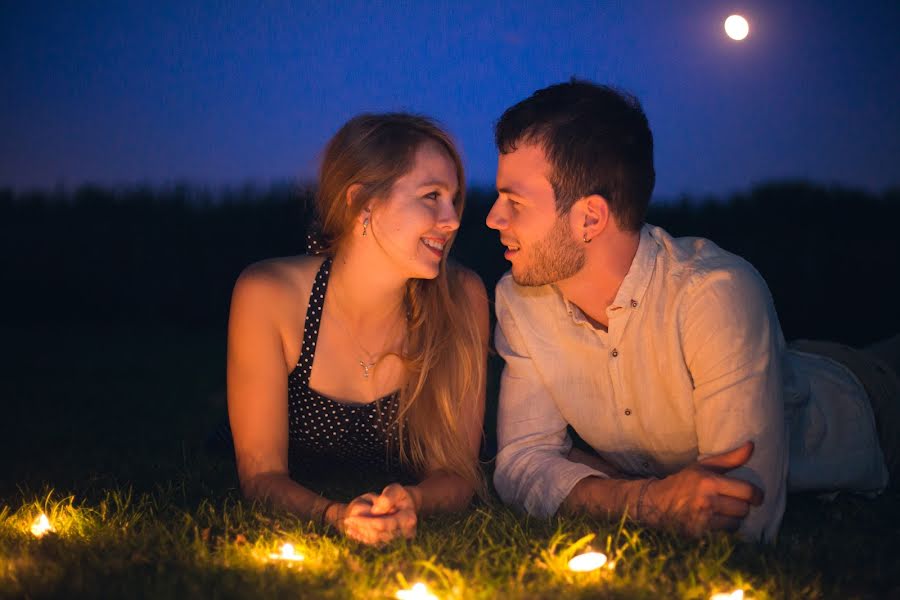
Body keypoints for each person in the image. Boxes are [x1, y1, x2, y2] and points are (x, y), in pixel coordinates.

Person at [487, 80, 898, 542]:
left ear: (590, 218)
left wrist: (589, 483)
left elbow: (744, 515)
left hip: (869, 397)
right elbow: (522, 462)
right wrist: (644, 501)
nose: (493, 218)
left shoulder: (713, 293)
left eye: (515, 203)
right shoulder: (521, 300)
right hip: (788, 366)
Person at [227, 113, 488, 545]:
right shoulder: (269, 295)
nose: (453, 219)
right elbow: (261, 475)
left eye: (454, 199)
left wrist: (414, 501)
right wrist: (335, 515)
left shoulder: (461, 297)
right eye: (431, 196)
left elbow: (458, 473)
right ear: (362, 202)